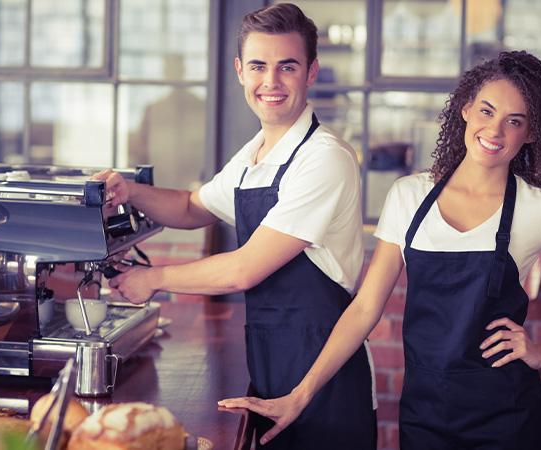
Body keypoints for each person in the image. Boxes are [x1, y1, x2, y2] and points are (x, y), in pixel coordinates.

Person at [218, 50, 541, 449]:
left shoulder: (538, 207)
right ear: (466, 109)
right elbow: (364, 309)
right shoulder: (409, 197)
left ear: (531, 133)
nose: (495, 130)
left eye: (514, 121)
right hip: (425, 416)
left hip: (509, 419)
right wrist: (300, 395)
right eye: (486, 111)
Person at [92, 3, 377, 449]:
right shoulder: (253, 157)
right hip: (270, 368)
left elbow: (245, 269)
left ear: (312, 72)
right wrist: (130, 190)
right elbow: (191, 208)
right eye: (259, 66)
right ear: (241, 71)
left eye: (288, 66)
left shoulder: (324, 158)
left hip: (324, 385)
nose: (271, 81)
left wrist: (155, 278)